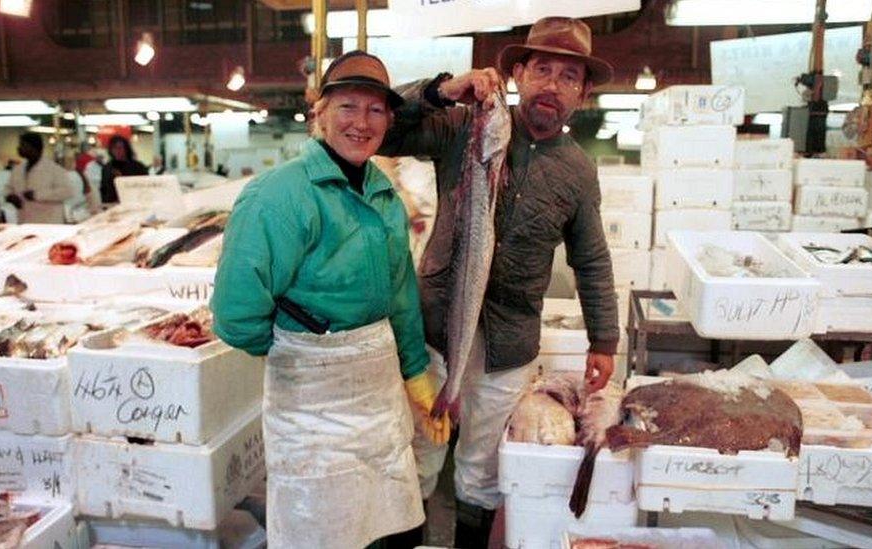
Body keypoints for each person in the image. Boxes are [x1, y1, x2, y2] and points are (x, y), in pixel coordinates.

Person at [379, 16, 621, 547]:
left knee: (483, 470)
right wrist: (440, 91)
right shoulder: (467, 124)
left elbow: (592, 257)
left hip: (509, 342)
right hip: (437, 324)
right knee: (418, 451)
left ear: (581, 93)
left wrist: (605, 339)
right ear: (517, 74)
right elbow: (386, 125)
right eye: (542, 70)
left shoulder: (578, 170)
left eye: (568, 77)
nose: (552, 86)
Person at [210, 51, 451, 549]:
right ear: (319, 112)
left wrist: (414, 374)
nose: (362, 123)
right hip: (310, 405)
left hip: (379, 396)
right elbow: (236, 315)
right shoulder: (278, 195)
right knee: (320, 531)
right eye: (347, 107)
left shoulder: (384, 192)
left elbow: (401, 294)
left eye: (376, 110)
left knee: (393, 526)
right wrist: (299, 351)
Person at [3, 132, 78, 224]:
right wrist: (10, 196)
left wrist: (37, 195)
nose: (19, 148)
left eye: (23, 145)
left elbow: (67, 192)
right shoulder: (18, 169)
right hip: (25, 222)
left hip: (49, 223)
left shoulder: (54, 169)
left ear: (34, 148)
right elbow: (8, 188)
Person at [100, 135, 147, 204]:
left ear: (126, 149)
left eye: (120, 148)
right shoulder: (107, 168)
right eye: (114, 148)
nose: (117, 151)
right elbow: (104, 189)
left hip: (133, 203)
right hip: (112, 205)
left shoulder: (138, 167)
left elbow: (144, 188)